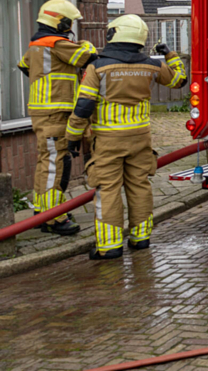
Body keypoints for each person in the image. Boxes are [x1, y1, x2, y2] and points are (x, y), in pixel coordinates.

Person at [65, 15, 187, 260]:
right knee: (139, 185)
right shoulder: (152, 65)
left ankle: (109, 246)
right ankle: (141, 239)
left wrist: (73, 137)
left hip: (109, 140)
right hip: (140, 138)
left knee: (108, 189)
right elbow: (179, 80)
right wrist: (170, 55)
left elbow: (83, 106)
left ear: (114, 34)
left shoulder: (97, 67)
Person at [17, 0, 97, 236]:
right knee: (55, 163)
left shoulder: (35, 45)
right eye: (69, 21)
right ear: (59, 21)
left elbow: (23, 66)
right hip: (55, 112)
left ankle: (43, 211)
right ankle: (54, 218)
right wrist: (86, 43)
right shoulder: (56, 43)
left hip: (43, 111)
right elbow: (88, 57)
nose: (70, 25)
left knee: (46, 161)